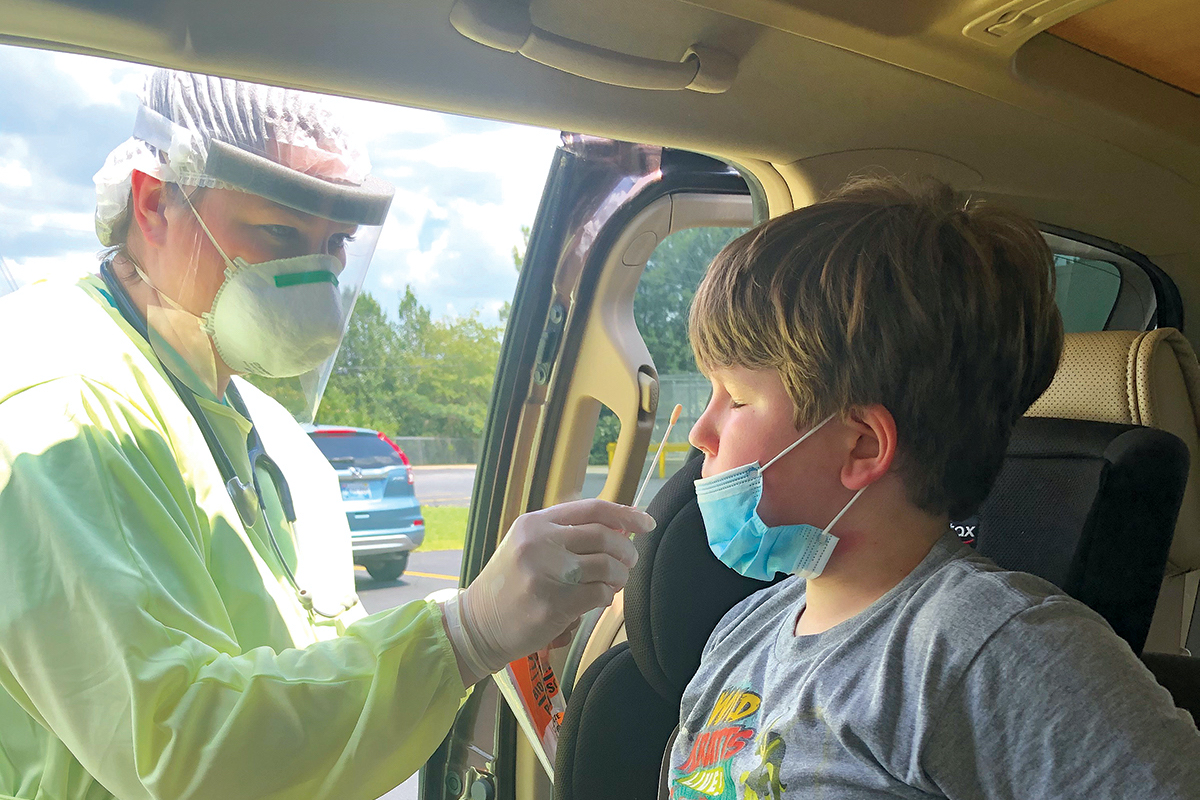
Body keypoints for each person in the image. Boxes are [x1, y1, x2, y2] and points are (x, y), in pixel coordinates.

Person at [0, 70, 654, 800]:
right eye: (281, 231)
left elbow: (317, 683)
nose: (316, 273)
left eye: (336, 241)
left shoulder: (275, 436)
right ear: (154, 204)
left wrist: (504, 623)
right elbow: (181, 748)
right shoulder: (62, 404)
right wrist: (465, 635)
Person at [668, 178, 1200, 798]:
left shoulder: (1000, 651)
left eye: (735, 398)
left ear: (863, 444)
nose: (701, 433)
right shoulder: (746, 628)